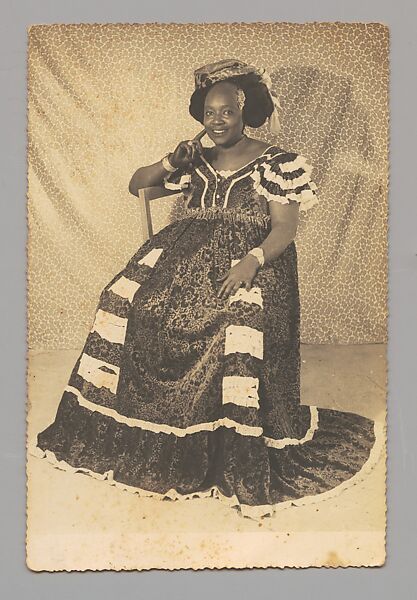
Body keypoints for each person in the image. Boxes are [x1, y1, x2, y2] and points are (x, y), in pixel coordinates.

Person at [34, 59, 381, 519]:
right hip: (180, 258)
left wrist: (251, 261)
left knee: (234, 318)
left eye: (228, 113)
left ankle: (222, 440)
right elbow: (138, 185)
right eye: (210, 113)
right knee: (124, 301)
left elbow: (282, 231)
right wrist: (168, 162)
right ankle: (143, 426)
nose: (217, 122)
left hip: (252, 260)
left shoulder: (279, 163)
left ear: (246, 113)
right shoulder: (194, 159)